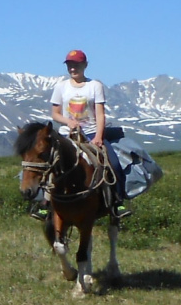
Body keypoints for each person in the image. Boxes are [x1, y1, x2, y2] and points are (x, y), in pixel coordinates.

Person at [49, 49, 127, 215]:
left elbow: (100, 113)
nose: (72, 68)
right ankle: (44, 203)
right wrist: (68, 122)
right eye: (70, 65)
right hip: (66, 134)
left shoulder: (95, 86)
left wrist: (99, 136)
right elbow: (55, 114)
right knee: (48, 164)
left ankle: (117, 202)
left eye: (76, 65)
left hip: (91, 133)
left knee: (113, 163)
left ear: (85, 65)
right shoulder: (61, 87)